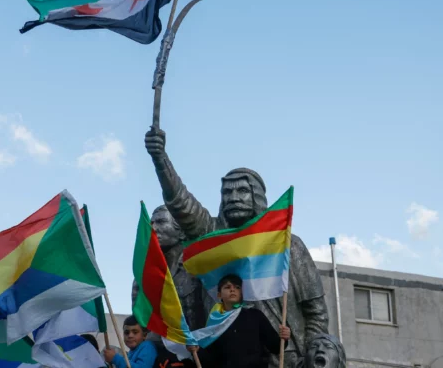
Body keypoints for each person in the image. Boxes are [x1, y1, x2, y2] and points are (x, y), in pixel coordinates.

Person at [145, 128, 329, 367]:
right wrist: (161, 160)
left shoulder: (288, 245)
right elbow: (180, 203)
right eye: (227, 192)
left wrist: (310, 355)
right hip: (225, 357)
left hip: (284, 357)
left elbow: (316, 312)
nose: (233, 197)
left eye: (242, 190)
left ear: (258, 196)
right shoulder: (213, 237)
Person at [131, 205, 207, 332]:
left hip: (195, 348)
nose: (153, 228)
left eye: (161, 222)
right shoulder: (143, 275)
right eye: (152, 223)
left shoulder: (197, 268)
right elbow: (138, 324)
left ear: (181, 231)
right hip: (155, 347)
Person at [189, 274, 291, 368]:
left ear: (241, 293)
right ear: (219, 295)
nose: (232, 290)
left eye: (237, 287)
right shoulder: (215, 323)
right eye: (227, 287)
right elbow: (209, 361)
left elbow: (275, 347)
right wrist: (196, 351)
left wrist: (284, 337)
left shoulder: (255, 316)